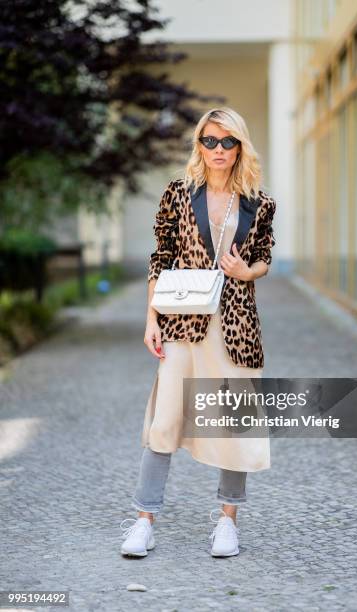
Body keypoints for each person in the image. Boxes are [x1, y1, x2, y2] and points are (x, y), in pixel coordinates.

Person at [120, 107, 276, 558]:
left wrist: (247, 271)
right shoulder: (178, 192)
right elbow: (161, 257)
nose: (219, 150)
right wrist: (151, 319)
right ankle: (143, 521)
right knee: (164, 419)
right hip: (181, 324)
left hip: (234, 325)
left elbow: (265, 255)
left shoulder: (259, 203)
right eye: (210, 141)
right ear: (198, 145)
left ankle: (228, 521)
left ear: (240, 146)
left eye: (228, 142)